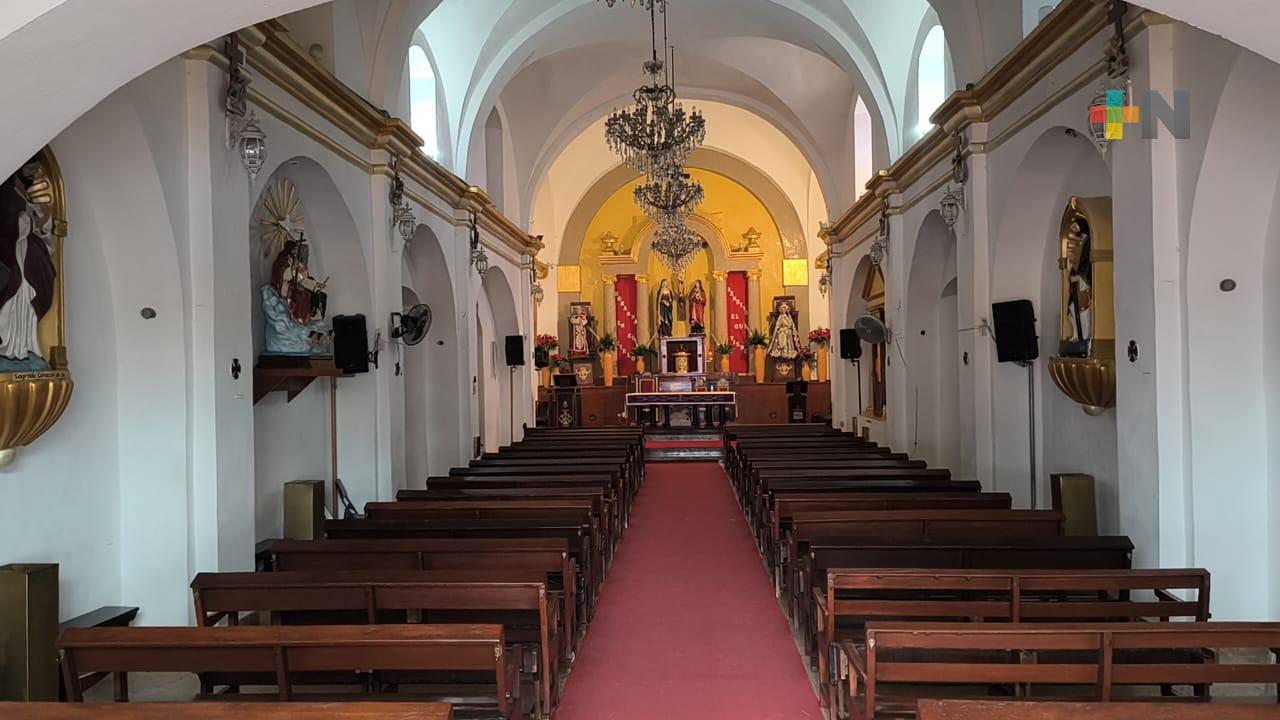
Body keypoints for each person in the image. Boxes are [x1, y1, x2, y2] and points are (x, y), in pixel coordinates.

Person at [0, 162, 56, 370]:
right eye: (29, 168)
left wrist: (42, 225)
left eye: (35, 170)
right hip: (13, 258)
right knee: (13, 298)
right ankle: (6, 348)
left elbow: (44, 232)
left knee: (27, 300)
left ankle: (24, 348)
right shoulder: (5, 192)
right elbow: (9, 224)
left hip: (30, 259)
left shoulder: (26, 196)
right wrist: (33, 222)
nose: (33, 173)